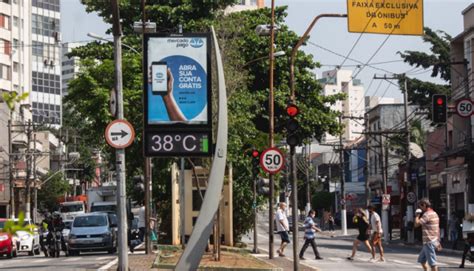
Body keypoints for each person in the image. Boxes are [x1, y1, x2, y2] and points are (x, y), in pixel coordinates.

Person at [415, 198, 441, 271]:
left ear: (424, 205)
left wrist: (417, 215)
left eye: (420, 206)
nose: (420, 208)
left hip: (429, 241)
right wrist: (438, 241)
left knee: (432, 263)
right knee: (421, 260)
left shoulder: (427, 215)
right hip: (431, 240)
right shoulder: (434, 213)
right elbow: (437, 228)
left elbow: (416, 224)